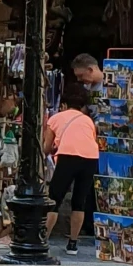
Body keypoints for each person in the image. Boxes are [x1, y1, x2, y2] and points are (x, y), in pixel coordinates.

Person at [45, 83, 100, 252]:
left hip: (68, 156)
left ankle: (43, 239)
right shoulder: (88, 120)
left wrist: (52, 148)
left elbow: (46, 147)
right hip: (91, 157)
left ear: (63, 105)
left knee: (54, 198)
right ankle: (73, 243)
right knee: (79, 201)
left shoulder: (55, 118)